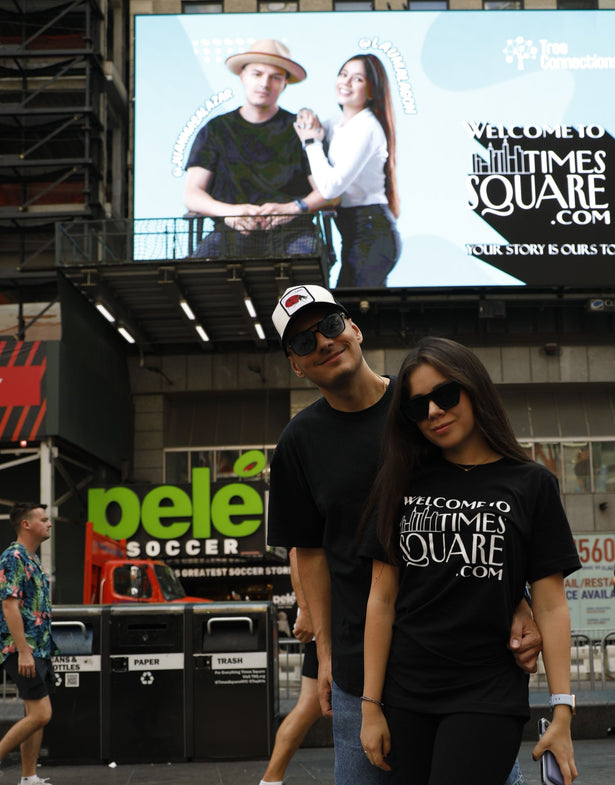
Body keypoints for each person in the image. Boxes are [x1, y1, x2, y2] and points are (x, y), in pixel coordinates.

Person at [267, 284, 542, 785]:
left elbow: (494, 503)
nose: (323, 343)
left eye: (329, 326)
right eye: (303, 342)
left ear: (354, 328)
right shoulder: (298, 443)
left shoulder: (426, 406)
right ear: (296, 366)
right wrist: (324, 654)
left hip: (458, 662)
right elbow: (309, 553)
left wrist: (520, 601)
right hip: (360, 669)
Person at [359, 337, 581, 785]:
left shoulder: (531, 483)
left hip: (488, 690)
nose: (434, 413)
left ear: (474, 388)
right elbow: (382, 600)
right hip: (406, 692)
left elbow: (552, 604)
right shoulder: (400, 481)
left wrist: (563, 711)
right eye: (418, 407)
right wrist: (370, 707)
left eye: (444, 395)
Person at [184, 38, 332, 258]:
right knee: (201, 275)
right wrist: (232, 213)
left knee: (305, 268)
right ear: (242, 76)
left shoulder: (301, 129)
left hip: (293, 234)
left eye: (275, 77)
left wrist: (292, 208)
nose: (265, 83)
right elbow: (192, 194)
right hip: (231, 233)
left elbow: (329, 191)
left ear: (284, 84)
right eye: (257, 74)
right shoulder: (216, 129)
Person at [293, 54, 400, 287]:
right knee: (360, 315)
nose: (346, 82)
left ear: (372, 91)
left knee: (349, 314)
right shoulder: (336, 124)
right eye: (343, 75)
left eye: (358, 79)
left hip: (372, 233)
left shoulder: (367, 127)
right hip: (354, 233)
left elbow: (331, 188)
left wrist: (311, 142)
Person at [0, 503, 55, 785]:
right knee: (42, 713)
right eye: (43, 519)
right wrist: (23, 651)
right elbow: (9, 605)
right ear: (26, 524)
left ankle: (28, 777)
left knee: (33, 715)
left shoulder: (31, 558)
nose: (49, 523)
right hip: (22, 649)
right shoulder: (14, 557)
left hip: (38, 649)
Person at [259, 549, 322, 785]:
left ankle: (270, 780)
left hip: (327, 617)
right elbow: (298, 552)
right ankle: (270, 780)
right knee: (309, 705)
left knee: (310, 705)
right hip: (325, 620)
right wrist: (305, 610)